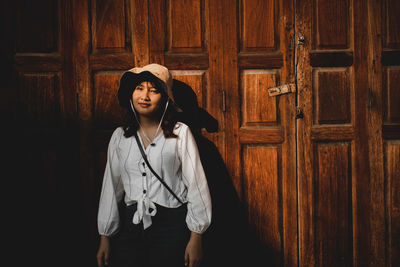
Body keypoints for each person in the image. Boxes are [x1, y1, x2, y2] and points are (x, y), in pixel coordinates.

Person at [96, 63, 212, 267]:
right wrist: (105, 237)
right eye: (139, 88)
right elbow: (111, 189)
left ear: (165, 98)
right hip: (130, 228)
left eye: (154, 90)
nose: (145, 96)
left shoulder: (180, 133)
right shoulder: (120, 137)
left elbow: (197, 185)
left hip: (172, 227)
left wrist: (196, 238)